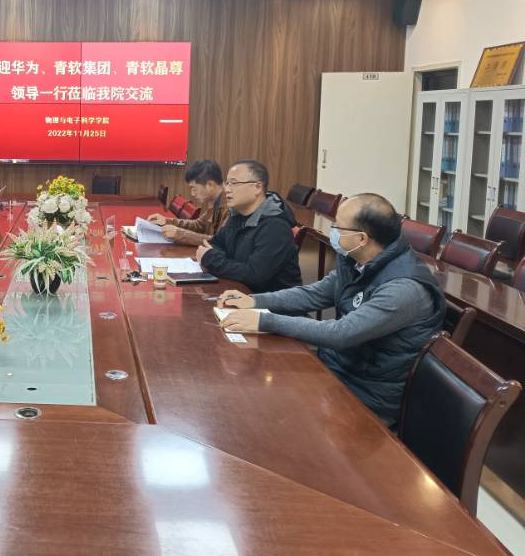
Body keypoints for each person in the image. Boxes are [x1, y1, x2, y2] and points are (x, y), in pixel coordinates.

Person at [218, 193, 445, 425]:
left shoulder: (403, 289)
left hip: (368, 395)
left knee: (271, 412)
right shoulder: (358, 260)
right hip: (340, 368)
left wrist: (264, 321)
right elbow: (314, 294)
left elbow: (341, 333)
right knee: (258, 391)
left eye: (338, 226)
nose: (332, 231)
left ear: (362, 238)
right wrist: (256, 301)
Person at [195, 159, 301, 292]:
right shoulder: (238, 215)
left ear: (257, 187)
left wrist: (211, 259)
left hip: (269, 301)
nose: (227, 189)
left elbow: (254, 275)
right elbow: (215, 244)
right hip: (238, 291)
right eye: (227, 183)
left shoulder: (276, 227)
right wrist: (220, 259)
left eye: (234, 183)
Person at [148, 159, 229, 245]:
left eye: (194, 188)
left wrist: (179, 234)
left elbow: (219, 242)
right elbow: (198, 225)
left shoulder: (230, 207)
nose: (192, 194)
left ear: (210, 185)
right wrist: (166, 221)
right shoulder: (217, 201)